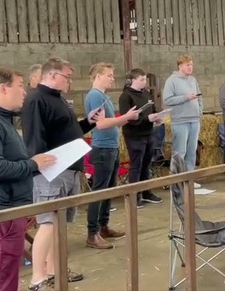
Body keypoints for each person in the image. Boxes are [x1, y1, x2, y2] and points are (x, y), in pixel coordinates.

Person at [22, 58, 103, 290]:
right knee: (47, 223)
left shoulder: (59, 101)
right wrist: (39, 165)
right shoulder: (36, 99)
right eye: (67, 77)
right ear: (52, 75)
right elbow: (34, 137)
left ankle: (54, 269)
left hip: (69, 167)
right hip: (51, 170)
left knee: (58, 225)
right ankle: (37, 277)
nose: (69, 81)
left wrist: (88, 122)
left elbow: (69, 131)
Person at [0, 68, 55, 291]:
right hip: (1, 212)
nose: (25, 92)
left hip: (7, 210)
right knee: (0, 281)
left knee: (3, 277)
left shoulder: (0, 120)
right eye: (20, 85)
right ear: (3, 88)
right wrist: (32, 165)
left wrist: (33, 167)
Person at [84, 63, 140, 250]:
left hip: (111, 147)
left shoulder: (102, 96)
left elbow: (109, 122)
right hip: (103, 148)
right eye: (109, 75)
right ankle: (92, 232)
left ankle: (103, 225)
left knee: (108, 189)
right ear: (98, 76)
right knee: (100, 191)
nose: (112, 78)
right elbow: (100, 124)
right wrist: (124, 118)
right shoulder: (94, 96)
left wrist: (125, 118)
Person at [119, 68, 164, 208]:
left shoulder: (145, 93)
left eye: (145, 79)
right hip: (134, 135)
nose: (144, 82)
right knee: (136, 165)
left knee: (146, 164)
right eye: (141, 80)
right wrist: (146, 119)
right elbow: (128, 118)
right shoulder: (126, 96)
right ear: (133, 80)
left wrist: (157, 117)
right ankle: (134, 195)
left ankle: (146, 192)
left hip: (148, 133)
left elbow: (152, 108)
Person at [163, 54, 203, 187]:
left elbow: (199, 96)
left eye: (191, 65)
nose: (190, 67)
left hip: (194, 119)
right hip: (180, 121)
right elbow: (167, 100)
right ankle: (176, 180)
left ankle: (189, 178)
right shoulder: (172, 81)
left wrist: (200, 111)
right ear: (180, 66)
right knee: (180, 151)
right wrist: (185, 97)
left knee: (192, 150)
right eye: (187, 65)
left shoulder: (193, 80)